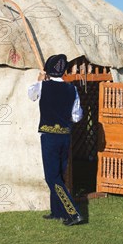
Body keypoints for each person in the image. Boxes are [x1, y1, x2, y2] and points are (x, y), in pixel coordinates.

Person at [28, 54, 84, 226]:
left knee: (52, 177)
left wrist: (39, 80)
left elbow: (31, 95)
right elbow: (76, 116)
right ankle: (57, 211)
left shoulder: (42, 86)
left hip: (49, 137)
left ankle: (72, 213)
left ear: (48, 70)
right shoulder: (72, 89)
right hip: (65, 137)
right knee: (58, 175)